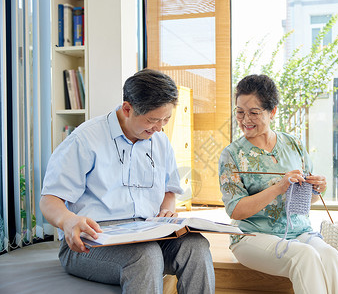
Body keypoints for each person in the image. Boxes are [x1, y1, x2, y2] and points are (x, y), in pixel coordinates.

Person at [40, 69, 215, 294]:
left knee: (196, 246)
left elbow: (169, 190)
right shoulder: (85, 139)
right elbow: (49, 199)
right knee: (146, 254)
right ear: (127, 109)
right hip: (92, 242)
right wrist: (68, 220)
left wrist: (166, 211)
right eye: (153, 120)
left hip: (147, 232)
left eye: (166, 120)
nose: (159, 128)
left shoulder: (159, 141)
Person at [218, 74, 338, 293]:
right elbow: (235, 210)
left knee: (331, 256)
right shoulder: (231, 155)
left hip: (299, 232)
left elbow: (306, 201)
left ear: (272, 112)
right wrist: (278, 187)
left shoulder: (294, 144)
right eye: (240, 112)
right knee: (305, 255)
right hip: (252, 236)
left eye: (254, 112)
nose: (245, 120)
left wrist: (318, 188)